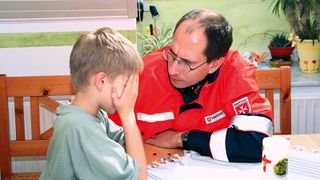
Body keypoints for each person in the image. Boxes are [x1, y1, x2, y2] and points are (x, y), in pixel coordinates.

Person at [110, 9, 273, 163]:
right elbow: (95, 131)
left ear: (215, 64)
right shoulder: (142, 74)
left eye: (187, 63)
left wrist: (182, 138)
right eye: (172, 54)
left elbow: (258, 143)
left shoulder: (235, 72)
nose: (173, 70)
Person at [40, 27, 147, 180]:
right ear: (101, 81)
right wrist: (128, 115)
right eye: (125, 84)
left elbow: (124, 139)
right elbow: (140, 178)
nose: (128, 93)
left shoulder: (91, 114)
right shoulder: (80, 127)